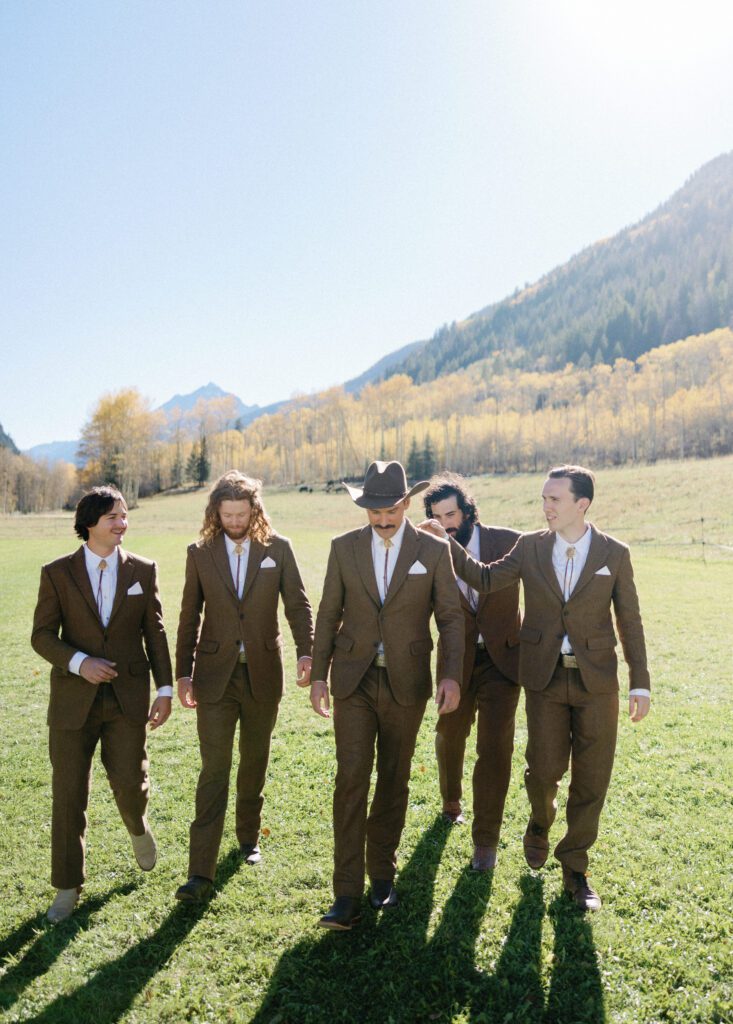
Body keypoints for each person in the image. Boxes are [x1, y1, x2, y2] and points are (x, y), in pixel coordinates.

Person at [421, 465, 650, 910]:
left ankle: (575, 867)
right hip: (542, 676)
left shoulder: (614, 554)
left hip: (597, 681)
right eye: (543, 499)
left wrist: (639, 682)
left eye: (554, 500)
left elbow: (631, 621)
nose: (545, 507)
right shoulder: (529, 547)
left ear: (581, 505)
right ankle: (540, 823)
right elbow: (484, 578)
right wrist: (446, 539)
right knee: (542, 772)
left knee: (593, 777)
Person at [310, 460, 465, 930]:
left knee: (394, 778)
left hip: (407, 683)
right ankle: (345, 895)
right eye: (373, 513)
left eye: (390, 511)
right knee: (351, 778)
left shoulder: (434, 551)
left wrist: (451, 675)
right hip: (353, 680)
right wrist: (319, 675)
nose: (382, 521)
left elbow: (452, 619)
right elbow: (327, 613)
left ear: (406, 504)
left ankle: (382, 875)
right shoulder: (343, 549)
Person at [31, 485, 173, 923]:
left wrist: (164, 690)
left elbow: (156, 634)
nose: (122, 523)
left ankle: (137, 824)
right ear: (89, 522)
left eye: (125, 515)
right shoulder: (57, 574)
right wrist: (79, 662)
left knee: (131, 783)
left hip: (128, 698)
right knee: (68, 794)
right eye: (113, 516)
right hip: (74, 702)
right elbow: (41, 636)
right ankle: (67, 887)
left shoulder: (143, 571)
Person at [175, 471, 313, 902]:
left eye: (241, 513)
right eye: (227, 513)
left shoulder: (279, 549)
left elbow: (298, 605)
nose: (234, 521)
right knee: (214, 769)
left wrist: (307, 653)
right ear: (215, 512)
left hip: (263, 675)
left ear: (255, 510)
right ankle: (200, 872)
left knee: (254, 759)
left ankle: (249, 839)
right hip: (213, 677)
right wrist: (182, 672)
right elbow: (188, 615)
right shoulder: (199, 553)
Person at [423, 473, 521, 871]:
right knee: (449, 734)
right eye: (438, 517)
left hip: (504, 661)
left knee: (495, 747)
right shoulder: (428, 549)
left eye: (452, 514)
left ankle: (486, 841)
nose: (447, 524)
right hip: (454, 661)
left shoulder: (509, 540)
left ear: (467, 511)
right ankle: (451, 799)